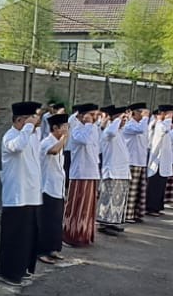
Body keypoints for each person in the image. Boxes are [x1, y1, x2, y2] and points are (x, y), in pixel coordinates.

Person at [0, 102, 44, 285]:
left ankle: (22, 267)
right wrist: (29, 127)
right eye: (31, 117)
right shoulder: (10, 136)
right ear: (20, 120)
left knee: (28, 236)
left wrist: (31, 127)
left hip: (31, 194)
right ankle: (7, 272)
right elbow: (17, 147)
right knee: (14, 236)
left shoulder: (32, 136)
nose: (36, 120)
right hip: (16, 195)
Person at [64, 103, 102, 246]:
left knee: (88, 208)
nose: (95, 118)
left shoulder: (93, 129)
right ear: (81, 116)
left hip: (92, 172)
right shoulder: (77, 129)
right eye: (92, 115)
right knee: (76, 206)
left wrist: (91, 125)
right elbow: (84, 140)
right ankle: (71, 235)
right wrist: (88, 124)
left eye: (96, 115)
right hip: (80, 173)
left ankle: (84, 234)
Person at [36, 113, 71, 265]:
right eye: (64, 127)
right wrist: (64, 138)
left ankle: (53, 249)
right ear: (55, 128)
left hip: (58, 187)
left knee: (56, 221)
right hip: (47, 187)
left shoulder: (58, 142)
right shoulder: (46, 142)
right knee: (46, 222)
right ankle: (41, 251)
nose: (67, 130)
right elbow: (53, 151)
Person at [95, 106, 130, 236]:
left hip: (122, 171)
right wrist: (117, 119)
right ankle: (105, 223)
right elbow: (110, 132)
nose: (124, 121)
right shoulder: (109, 131)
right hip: (112, 170)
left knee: (118, 199)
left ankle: (114, 222)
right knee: (108, 199)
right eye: (123, 118)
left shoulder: (120, 132)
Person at [122, 104, 149, 225]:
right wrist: (145, 118)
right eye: (140, 112)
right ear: (134, 113)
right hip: (132, 161)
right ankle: (127, 214)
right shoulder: (129, 124)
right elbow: (140, 130)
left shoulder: (143, 124)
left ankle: (137, 213)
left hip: (141, 160)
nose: (142, 115)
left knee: (139, 190)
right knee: (131, 190)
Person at [145, 106, 173, 216]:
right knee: (154, 185)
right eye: (168, 114)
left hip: (164, 159)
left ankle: (158, 206)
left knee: (161, 185)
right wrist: (167, 119)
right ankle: (151, 207)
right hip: (157, 159)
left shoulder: (165, 125)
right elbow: (164, 130)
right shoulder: (158, 124)